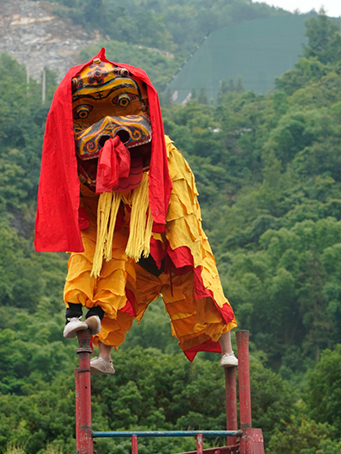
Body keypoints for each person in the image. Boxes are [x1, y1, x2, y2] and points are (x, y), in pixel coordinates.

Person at [35, 48, 237, 374]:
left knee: (192, 261)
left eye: (123, 105)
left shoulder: (164, 155)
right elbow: (89, 235)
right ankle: (97, 341)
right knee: (104, 259)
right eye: (88, 112)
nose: (111, 126)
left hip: (156, 209)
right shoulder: (87, 166)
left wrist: (159, 227)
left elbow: (183, 223)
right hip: (121, 219)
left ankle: (227, 349)